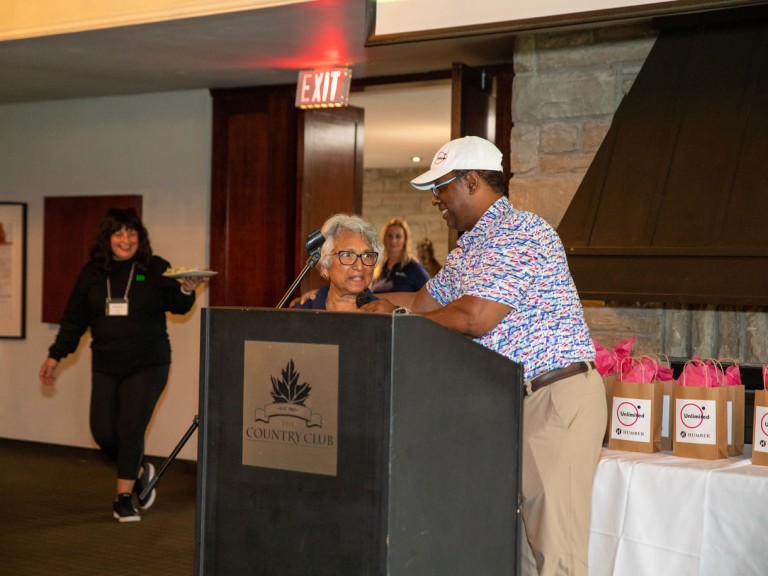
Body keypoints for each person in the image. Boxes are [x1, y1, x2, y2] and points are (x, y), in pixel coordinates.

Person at [361, 136, 606, 576]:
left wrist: (399, 318)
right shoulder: (471, 248)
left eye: (441, 187)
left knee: (557, 558)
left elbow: (475, 317)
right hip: (514, 406)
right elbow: (420, 303)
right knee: (524, 558)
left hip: (554, 398)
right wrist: (355, 301)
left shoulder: (521, 232)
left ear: (471, 182)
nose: (435, 199)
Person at [38, 208, 206, 523]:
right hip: (106, 364)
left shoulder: (155, 267)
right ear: (107, 238)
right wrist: (55, 356)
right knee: (102, 431)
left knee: (130, 428)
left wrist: (185, 289)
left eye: (131, 233)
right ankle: (139, 471)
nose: (125, 240)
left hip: (148, 364)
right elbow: (74, 321)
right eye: (118, 233)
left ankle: (124, 499)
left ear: (139, 237)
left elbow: (178, 305)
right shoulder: (91, 273)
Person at [293, 213, 382, 311]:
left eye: (367, 255)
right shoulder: (304, 311)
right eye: (348, 255)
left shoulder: (384, 314)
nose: (360, 267)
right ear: (325, 267)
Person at [370, 217, 429, 294]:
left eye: (398, 236)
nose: (393, 240)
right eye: (390, 236)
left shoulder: (414, 268)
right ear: (384, 239)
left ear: (405, 240)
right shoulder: (379, 271)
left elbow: (431, 295)